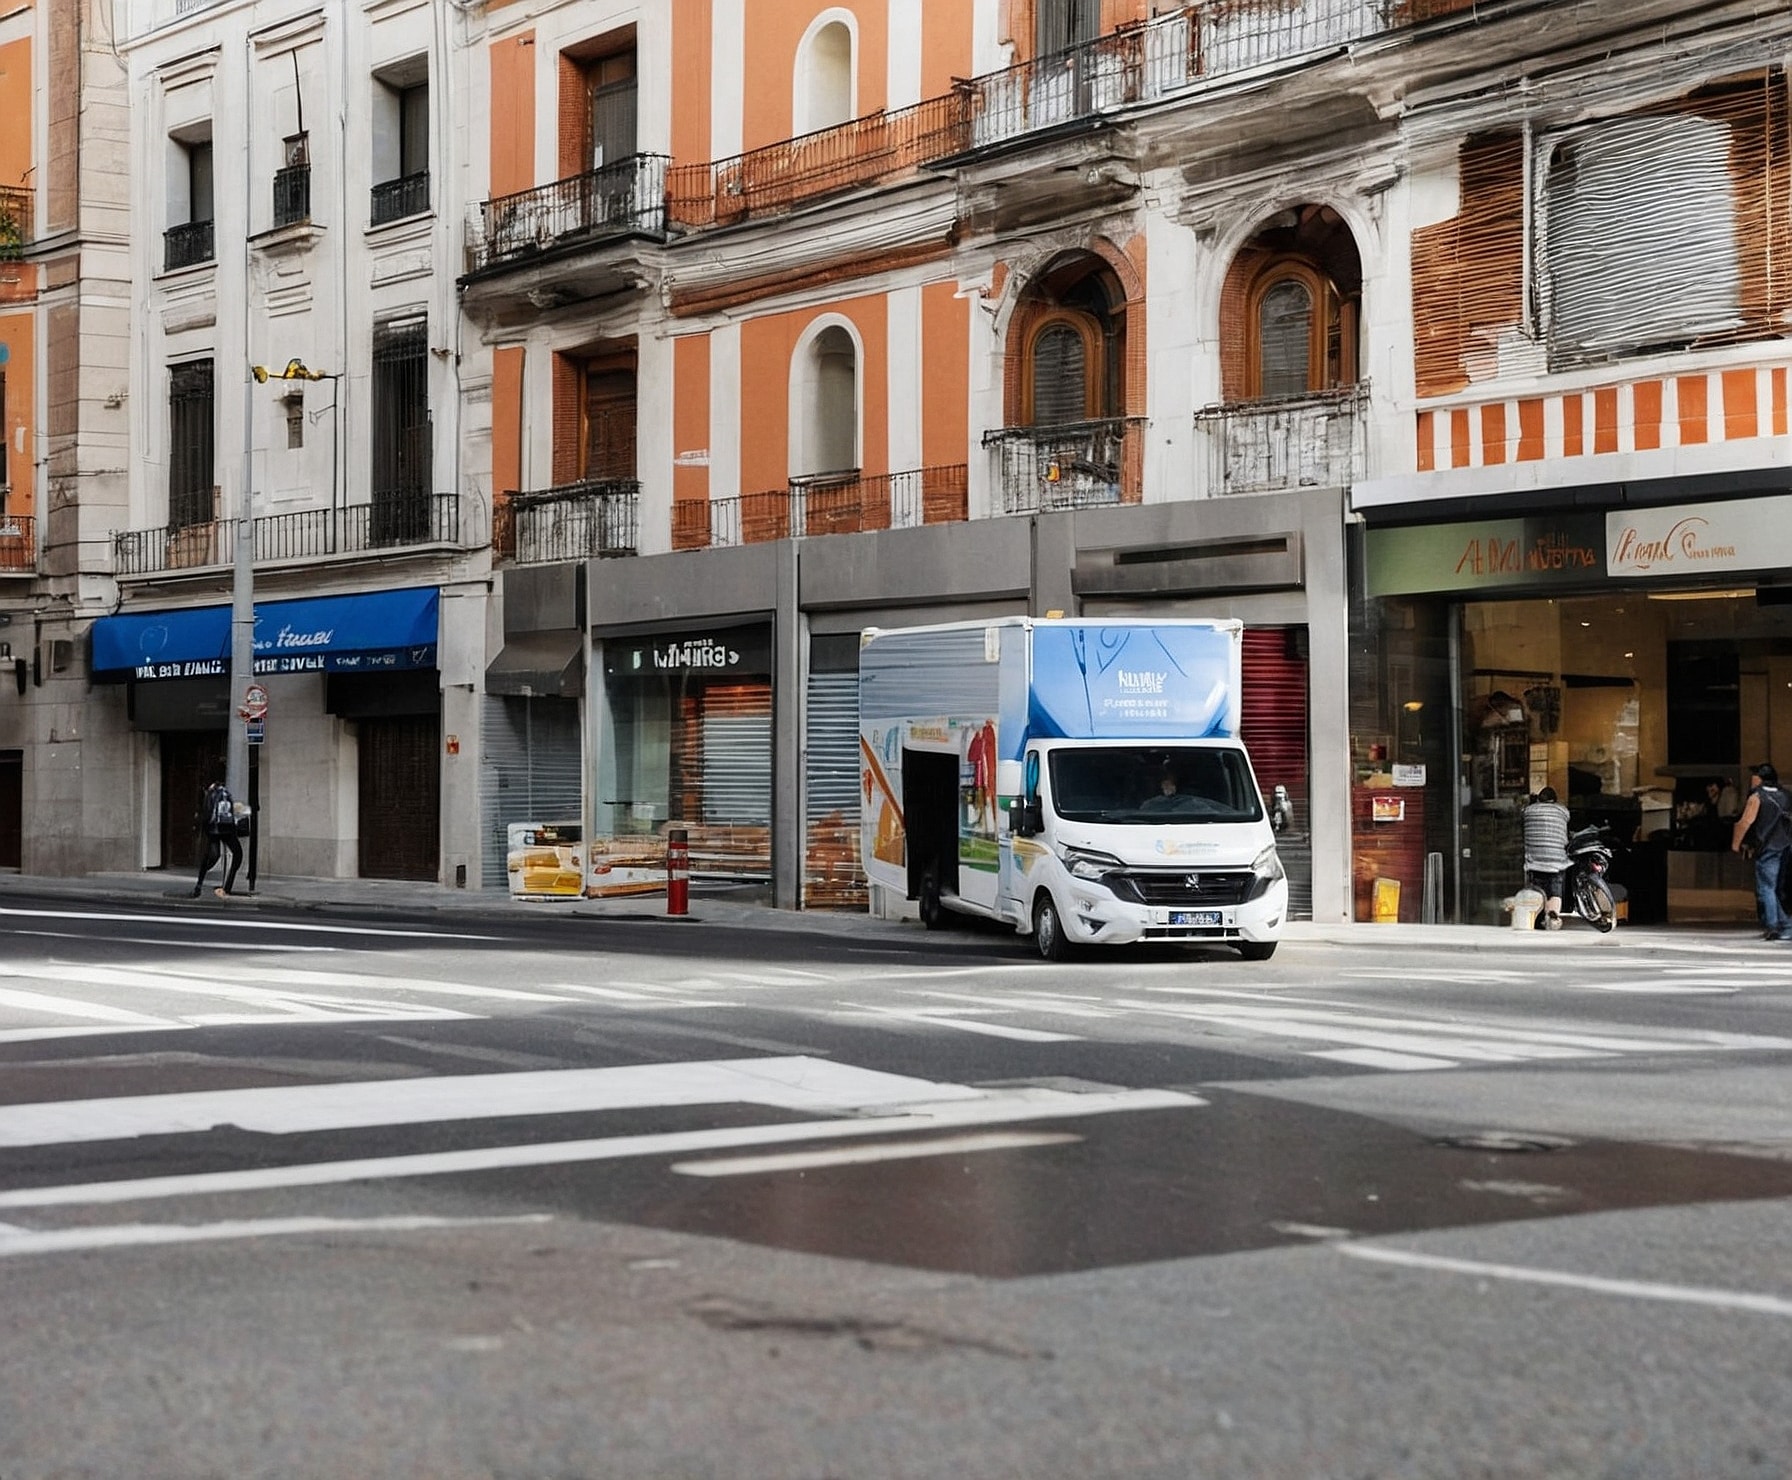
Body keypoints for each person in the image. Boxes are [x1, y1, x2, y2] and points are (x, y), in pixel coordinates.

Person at [1732, 762, 1792, 940]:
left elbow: (1746, 822)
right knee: (1775, 888)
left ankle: (1775, 925)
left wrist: (1736, 844)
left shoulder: (1757, 797)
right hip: (1786, 846)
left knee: (1766, 888)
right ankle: (1785, 925)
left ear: (1760, 779)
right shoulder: (1787, 795)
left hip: (1768, 848)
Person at [1522, 785, 1571, 930]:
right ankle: (1553, 914)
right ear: (1554, 800)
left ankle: (1538, 916)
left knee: (1536, 887)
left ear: (1538, 799)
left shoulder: (1528, 810)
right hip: (1556, 859)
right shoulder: (1562, 810)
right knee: (1555, 889)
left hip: (1534, 858)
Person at [192, 775, 243, 899]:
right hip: (227, 829)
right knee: (238, 854)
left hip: (214, 830)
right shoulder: (225, 792)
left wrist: (205, 830)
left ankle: (199, 884)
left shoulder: (209, 793)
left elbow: (206, 814)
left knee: (211, 856)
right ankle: (227, 887)